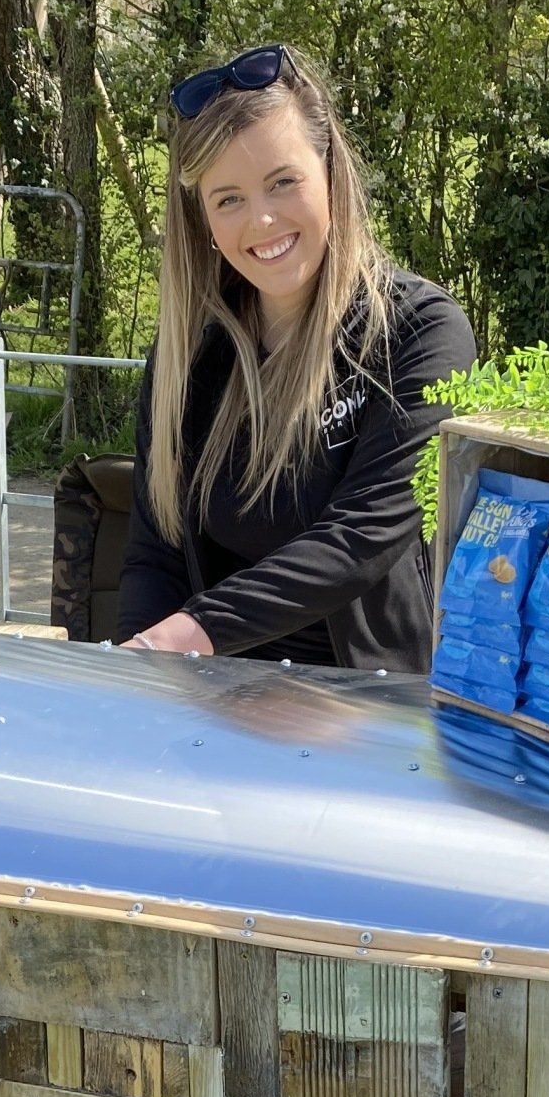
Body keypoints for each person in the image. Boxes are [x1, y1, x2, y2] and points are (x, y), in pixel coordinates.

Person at [117, 45, 475, 670]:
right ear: (203, 220)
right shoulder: (190, 356)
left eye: (283, 182)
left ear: (332, 174)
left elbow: (360, 537)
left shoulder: (419, 332)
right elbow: (156, 553)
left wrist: (184, 636)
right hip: (211, 697)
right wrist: (130, 675)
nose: (261, 220)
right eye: (228, 199)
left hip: (367, 707)